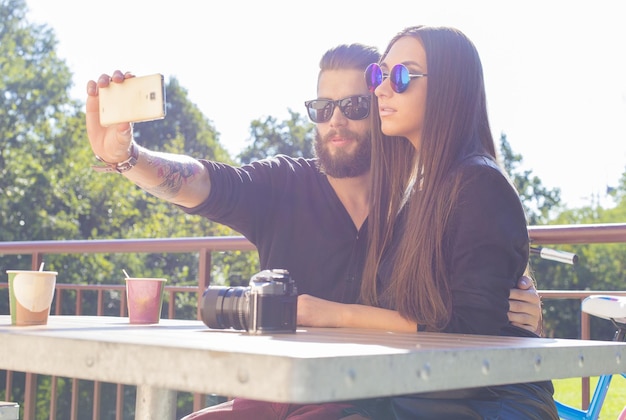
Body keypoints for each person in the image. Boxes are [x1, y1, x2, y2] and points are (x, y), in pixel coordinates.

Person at [85, 42, 543, 419]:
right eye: (321, 108)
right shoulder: (284, 185)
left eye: (353, 104)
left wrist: (513, 317)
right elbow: (204, 182)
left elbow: (468, 314)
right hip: (290, 391)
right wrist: (126, 157)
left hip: (382, 397)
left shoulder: (425, 198)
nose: (335, 120)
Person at [300, 25, 558, 419]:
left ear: (450, 89)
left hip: (486, 403)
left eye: (401, 76)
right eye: (379, 75)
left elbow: (471, 330)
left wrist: (330, 313)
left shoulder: (479, 184)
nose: (381, 89)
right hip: (422, 396)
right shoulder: (415, 191)